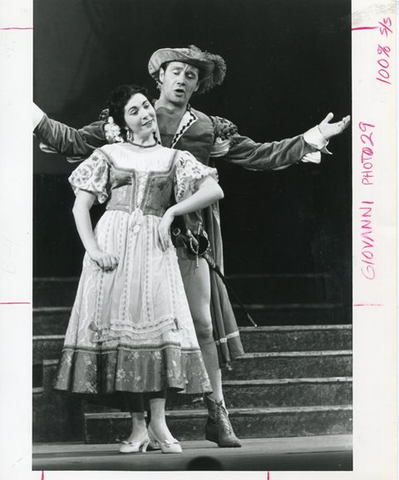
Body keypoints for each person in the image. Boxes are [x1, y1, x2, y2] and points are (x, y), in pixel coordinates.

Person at [33, 45, 350, 449]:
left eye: (192, 76)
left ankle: (217, 414)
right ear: (159, 77)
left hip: (187, 239)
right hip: (132, 243)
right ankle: (142, 424)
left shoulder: (208, 128)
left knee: (201, 324)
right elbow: (75, 141)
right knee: (137, 329)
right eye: (177, 72)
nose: (183, 81)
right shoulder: (130, 117)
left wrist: (313, 137)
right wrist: (30, 114)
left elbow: (257, 155)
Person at [53, 84, 225, 454]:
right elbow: (80, 207)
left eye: (146, 106)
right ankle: (138, 429)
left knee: (157, 330)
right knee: (122, 334)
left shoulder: (173, 157)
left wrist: (172, 212)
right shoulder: (108, 154)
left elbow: (213, 190)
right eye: (134, 111)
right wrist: (94, 250)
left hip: (155, 247)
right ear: (122, 122)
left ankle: (160, 425)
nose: (145, 114)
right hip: (113, 247)